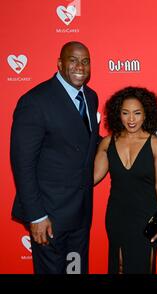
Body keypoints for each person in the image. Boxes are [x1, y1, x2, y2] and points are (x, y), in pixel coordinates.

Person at [10, 41, 99, 274]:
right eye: (73, 60)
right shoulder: (35, 101)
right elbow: (23, 163)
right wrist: (36, 215)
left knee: (75, 270)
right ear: (60, 63)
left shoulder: (90, 97)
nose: (80, 66)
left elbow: (82, 141)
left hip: (80, 215)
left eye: (86, 61)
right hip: (49, 216)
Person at [94, 86, 157, 274]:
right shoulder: (107, 143)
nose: (131, 119)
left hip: (146, 217)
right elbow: (92, 178)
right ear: (118, 114)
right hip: (117, 216)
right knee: (119, 267)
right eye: (125, 113)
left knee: (145, 268)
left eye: (137, 113)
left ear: (146, 115)